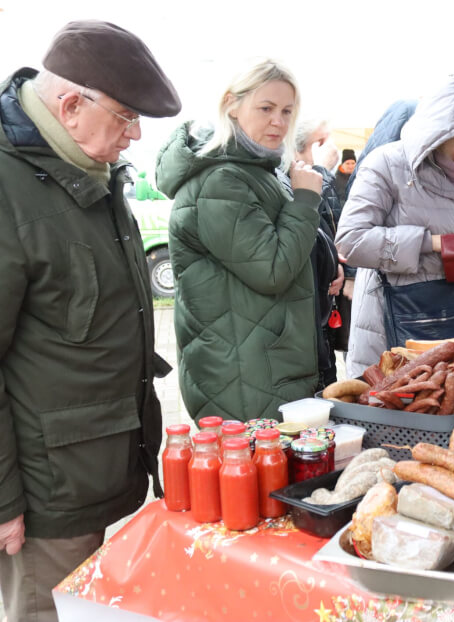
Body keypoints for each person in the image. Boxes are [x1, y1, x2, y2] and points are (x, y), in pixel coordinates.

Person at [0, 20, 179, 621]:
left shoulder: (87, 168)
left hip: (93, 470)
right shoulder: (8, 186)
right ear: (71, 104)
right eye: (127, 118)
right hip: (44, 496)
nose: (134, 137)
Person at [156, 59, 322, 422]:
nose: (278, 121)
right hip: (245, 376)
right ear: (232, 103)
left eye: (286, 111)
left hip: (261, 363)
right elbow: (272, 270)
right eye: (266, 108)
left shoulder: (256, 172)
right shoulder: (222, 181)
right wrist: (306, 200)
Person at [335, 75, 454, 378]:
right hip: (387, 318)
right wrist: (433, 243)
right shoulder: (385, 163)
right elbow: (350, 241)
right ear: (440, 131)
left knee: (448, 396)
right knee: (391, 401)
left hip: (450, 316)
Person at [343, 48, 454, 313]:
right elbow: (360, 206)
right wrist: (351, 273)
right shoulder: (405, 118)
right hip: (394, 299)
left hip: (450, 301)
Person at [295, 119, 346, 388]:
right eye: (323, 141)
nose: (333, 147)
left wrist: (335, 262)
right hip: (308, 321)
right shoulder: (302, 177)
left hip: (321, 313)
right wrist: (322, 171)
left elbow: (326, 232)